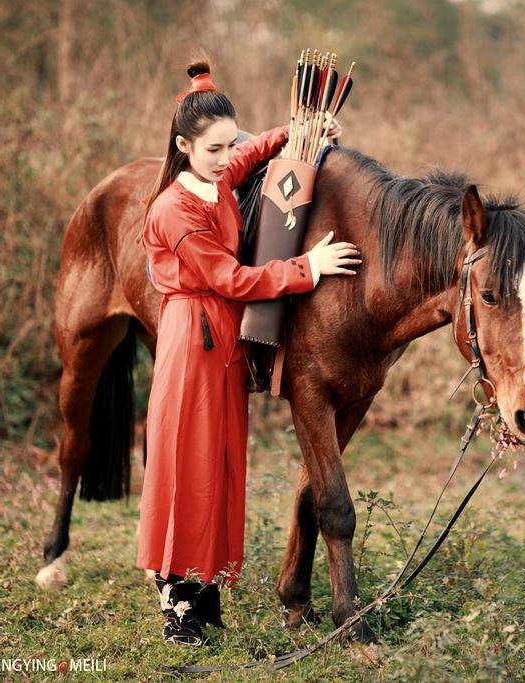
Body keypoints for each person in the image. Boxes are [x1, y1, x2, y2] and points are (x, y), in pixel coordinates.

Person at [136, 58, 361, 647]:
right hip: (193, 341)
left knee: (217, 466)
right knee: (186, 464)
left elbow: (249, 152)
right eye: (211, 150)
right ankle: (176, 609)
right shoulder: (174, 208)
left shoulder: (216, 178)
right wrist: (307, 267)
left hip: (224, 345)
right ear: (184, 146)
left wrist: (297, 131)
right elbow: (231, 279)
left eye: (227, 146)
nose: (223, 158)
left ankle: (204, 598)